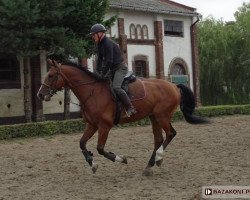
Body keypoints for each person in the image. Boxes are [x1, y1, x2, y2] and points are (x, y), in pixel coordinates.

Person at [89, 23, 137, 117]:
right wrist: (97, 72)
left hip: (120, 68)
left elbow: (109, 60)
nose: (92, 37)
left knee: (116, 87)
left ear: (100, 33)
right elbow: (99, 60)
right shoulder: (99, 44)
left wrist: (103, 73)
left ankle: (130, 107)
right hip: (113, 69)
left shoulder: (107, 43)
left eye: (93, 34)